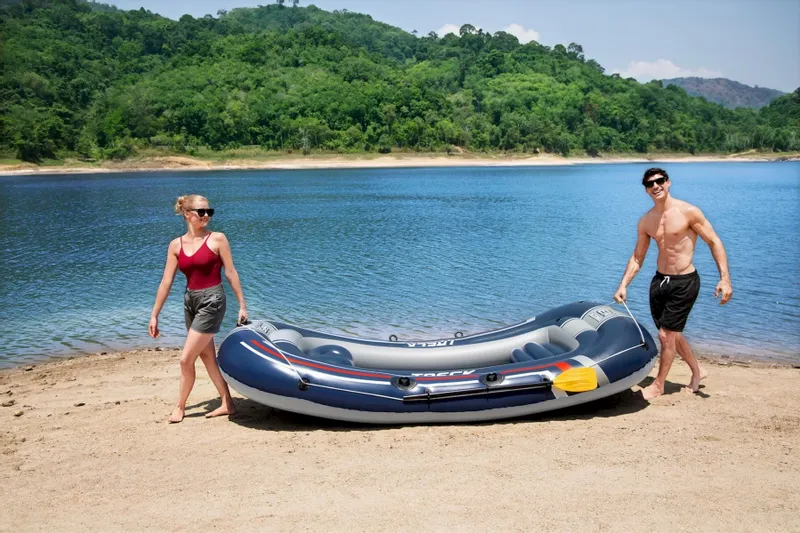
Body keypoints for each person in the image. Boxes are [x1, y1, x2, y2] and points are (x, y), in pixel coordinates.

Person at [614, 168, 732, 400]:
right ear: (646, 190)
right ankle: (697, 371)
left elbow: (713, 241)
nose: (655, 186)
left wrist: (724, 278)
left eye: (659, 181)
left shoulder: (688, 212)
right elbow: (638, 257)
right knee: (671, 334)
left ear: (668, 183)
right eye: (650, 184)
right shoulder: (647, 220)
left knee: (666, 335)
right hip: (660, 282)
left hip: (684, 281)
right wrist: (623, 284)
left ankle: (659, 385)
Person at [149, 194, 248, 423]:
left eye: (209, 211)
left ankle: (180, 407)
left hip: (212, 300)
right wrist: (154, 315)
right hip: (190, 301)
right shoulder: (176, 245)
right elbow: (166, 282)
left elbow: (231, 272)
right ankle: (227, 403)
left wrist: (242, 305)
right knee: (206, 355)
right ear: (187, 214)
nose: (206, 216)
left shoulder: (217, 239)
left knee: (186, 359)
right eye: (201, 212)